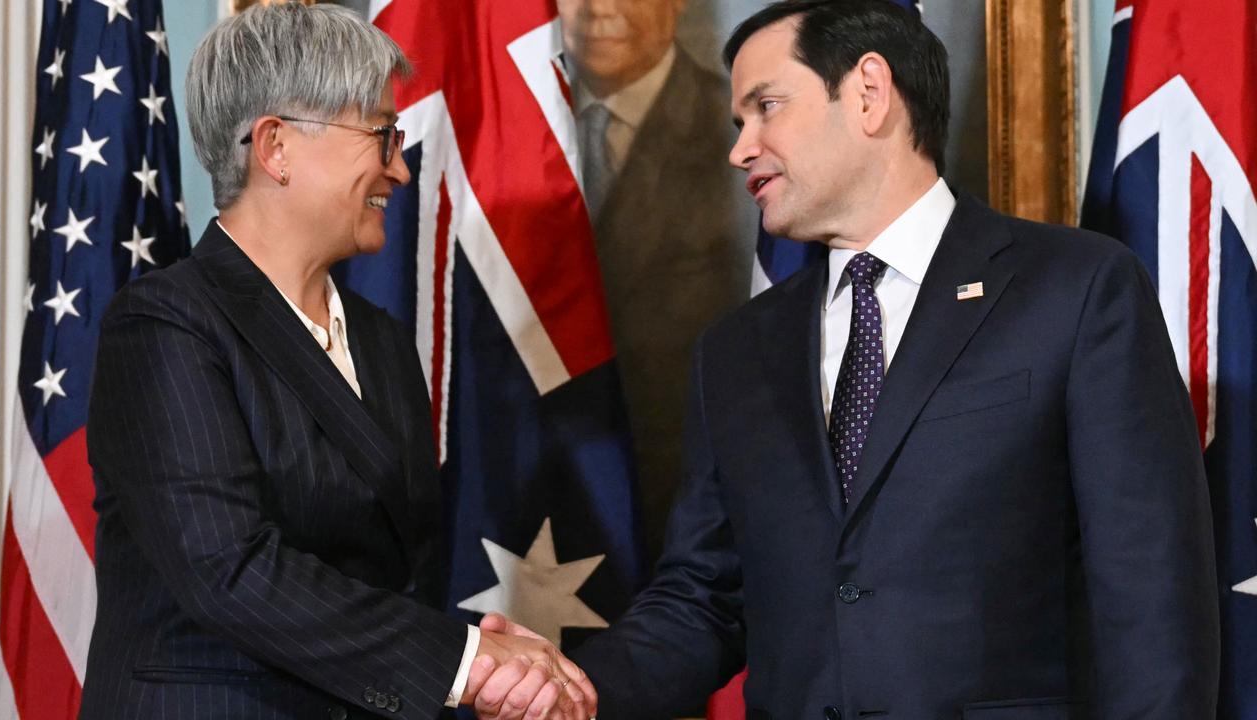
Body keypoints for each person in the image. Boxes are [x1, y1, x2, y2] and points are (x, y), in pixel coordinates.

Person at [481, 1, 1221, 717]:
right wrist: (570, 687)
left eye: (766, 107)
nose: (740, 147)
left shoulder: (1076, 289)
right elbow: (702, 599)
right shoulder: (736, 351)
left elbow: (1149, 590)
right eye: (740, 121)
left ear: (868, 93)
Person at [79, 5, 595, 719]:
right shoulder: (166, 324)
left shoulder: (381, 341)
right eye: (382, 135)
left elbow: (399, 579)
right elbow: (227, 569)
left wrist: (468, 659)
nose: (400, 168)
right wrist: (466, 659)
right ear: (276, 146)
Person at [559, 0, 756, 556]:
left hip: (697, 515)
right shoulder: (504, 130)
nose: (599, 9)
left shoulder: (740, 130)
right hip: (545, 509)